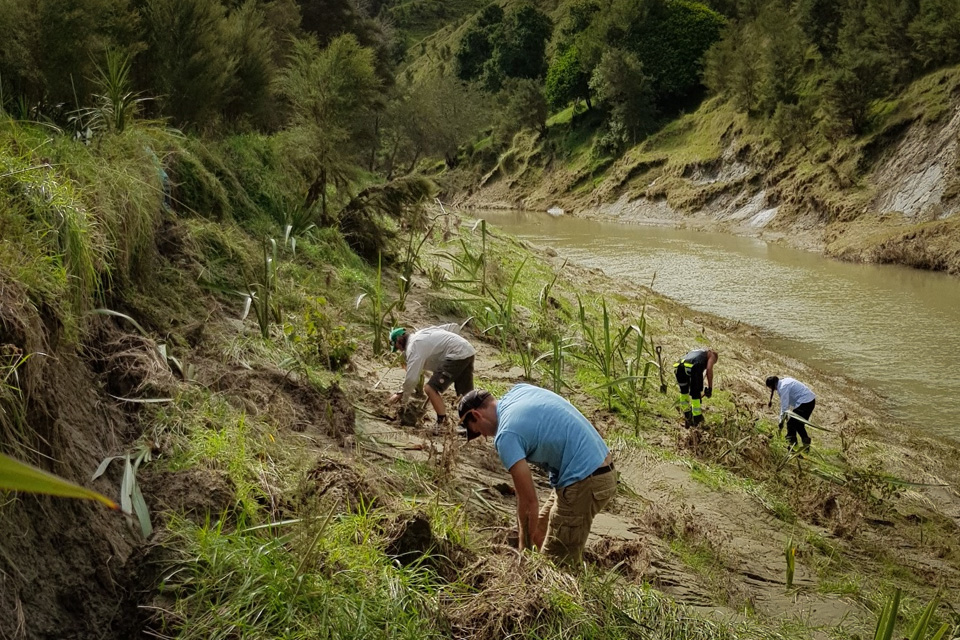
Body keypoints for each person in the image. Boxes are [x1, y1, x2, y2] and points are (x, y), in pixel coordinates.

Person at [458, 384, 617, 567]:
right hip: (597, 468)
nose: (484, 436)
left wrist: (522, 554)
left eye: (478, 430)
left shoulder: (506, 435)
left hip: (585, 480)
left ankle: (563, 588)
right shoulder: (519, 391)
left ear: (477, 415)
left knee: (558, 565)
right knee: (539, 532)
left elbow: (528, 502)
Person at [387, 324, 476, 428]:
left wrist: (403, 401)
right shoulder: (422, 333)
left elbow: (411, 378)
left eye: (397, 348)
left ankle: (441, 423)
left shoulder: (413, 347)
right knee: (465, 393)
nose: (400, 351)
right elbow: (453, 327)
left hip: (456, 354)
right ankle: (469, 425)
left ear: (399, 340)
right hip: (467, 350)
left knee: (430, 388)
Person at [766, 376, 815, 452]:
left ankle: (792, 444)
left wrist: (780, 422)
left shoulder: (783, 387)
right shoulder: (784, 382)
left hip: (806, 402)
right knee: (798, 424)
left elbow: (784, 407)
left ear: (772, 385)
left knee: (791, 423)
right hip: (809, 401)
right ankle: (805, 444)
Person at [673, 348, 718, 426]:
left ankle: (687, 415)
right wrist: (710, 388)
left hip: (679, 366)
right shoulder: (712, 355)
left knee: (684, 391)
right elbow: (709, 370)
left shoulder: (696, 351)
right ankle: (697, 419)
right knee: (695, 393)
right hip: (694, 367)